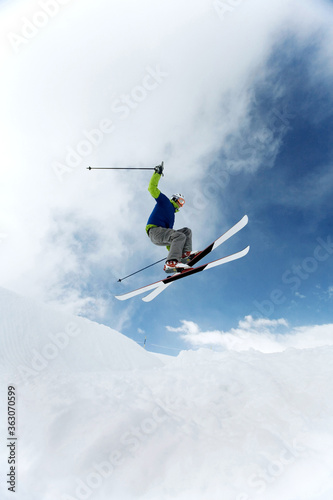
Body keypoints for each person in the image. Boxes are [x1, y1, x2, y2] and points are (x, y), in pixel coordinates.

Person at [146, 163, 197, 273]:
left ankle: (184, 255)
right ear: (175, 198)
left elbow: (171, 239)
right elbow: (152, 188)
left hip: (161, 234)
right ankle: (171, 263)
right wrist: (157, 173)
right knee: (179, 235)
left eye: (183, 203)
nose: (181, 205)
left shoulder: (171, 216)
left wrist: (172, 253)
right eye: (181, 201)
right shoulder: (165, 202)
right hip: (154, 231)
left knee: (186, 232)